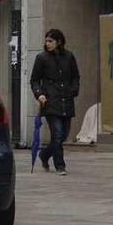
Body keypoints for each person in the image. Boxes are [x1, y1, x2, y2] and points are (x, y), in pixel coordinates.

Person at [30, 28, 80, 176]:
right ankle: (60, 166)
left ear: (59, 42)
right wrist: (39, 94)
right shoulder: (42, 58)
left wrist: (74, 90)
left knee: (63, 136)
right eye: (46, 41)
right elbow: (34, 80)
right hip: (51, 101)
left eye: (50, 41)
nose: (47, 44)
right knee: (57, 134)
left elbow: (76, 76)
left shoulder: (69, 57)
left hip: (67, 100)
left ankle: (44, 155)